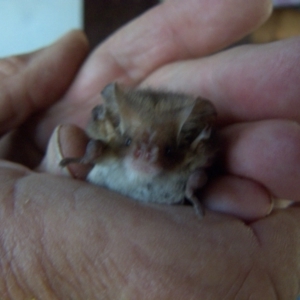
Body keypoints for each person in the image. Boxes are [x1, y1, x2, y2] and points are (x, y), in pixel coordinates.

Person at [0, 0, 299, 298]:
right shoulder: (105, 149)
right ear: (116, 138)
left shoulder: (190, 166)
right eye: (131, 143)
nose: (147, 154)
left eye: (166, 149)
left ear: (188, 151)